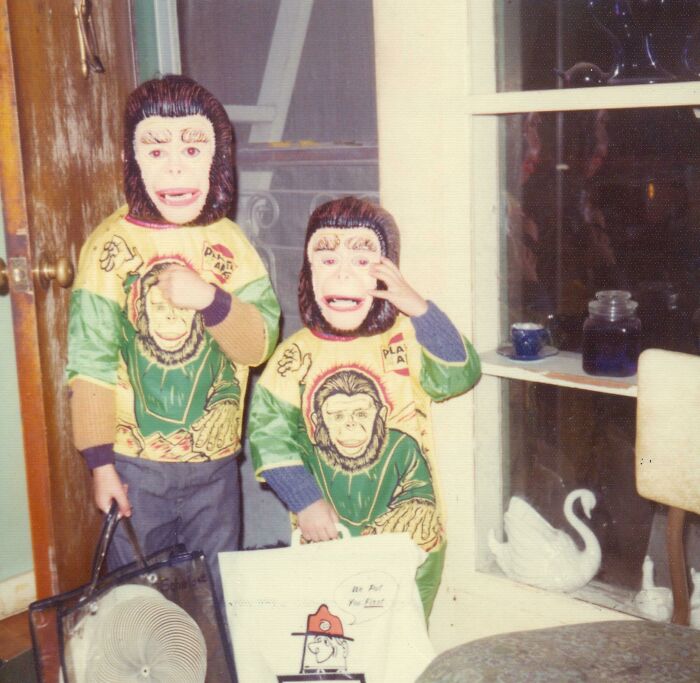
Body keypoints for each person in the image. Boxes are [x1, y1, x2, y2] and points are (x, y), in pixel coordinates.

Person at [66, 75, 280, 600]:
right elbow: (89, 362)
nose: (176, 167)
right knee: (138, 591)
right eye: (156, 149)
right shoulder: (109, 246)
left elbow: (258, 344)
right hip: (137, 467)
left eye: (192, 147)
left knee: (215, 586)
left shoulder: (230, 244)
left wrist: (213, 300)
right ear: (131, 157)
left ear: (218, 157)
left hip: (215, 467)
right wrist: (101, 466)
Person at [249, 196, 480, 616]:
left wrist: (418, 307)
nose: (341, 272)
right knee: (338, 635)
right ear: (308, 270)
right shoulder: (293, 355)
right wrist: (304, 500)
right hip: (328, 534)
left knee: (403, 638)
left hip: (412, 539)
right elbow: (269, 434)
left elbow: (459, 373)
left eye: (361, 259)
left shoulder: (406, 339)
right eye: (327, 257)